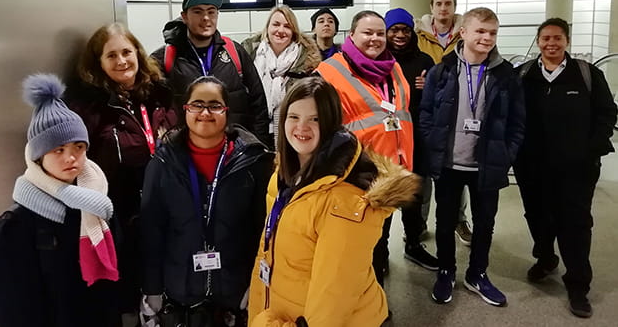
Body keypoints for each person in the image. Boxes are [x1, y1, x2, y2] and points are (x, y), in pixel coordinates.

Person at [247, 77, 420, 327]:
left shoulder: (345, 201)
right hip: (283, 310)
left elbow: (334, 296)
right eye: (294, 116)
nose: (301, 127)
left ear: (330, 124)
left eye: (315, 119)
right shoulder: (282, 177)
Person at [0, 74, 121, 327]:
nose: (71, 157)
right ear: (38, 157)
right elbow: (11, 313)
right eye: (59, 150)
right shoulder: (14, 228)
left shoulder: (96, 206)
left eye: (78, 147)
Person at [141, 76, 274, 326]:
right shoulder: (162, 163)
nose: (205, 112)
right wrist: (152, 289)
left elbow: (262, 231)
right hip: (179, 289)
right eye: (197, 104)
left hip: (236, 291)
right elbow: (151, 231)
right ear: (185, 110)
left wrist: (257, 284)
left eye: (214, 105)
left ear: (227, 111)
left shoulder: (253, 162)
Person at [67, 22, 177, 321]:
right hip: (118, 218)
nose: (122, 61)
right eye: (111, 55)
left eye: (127, 52)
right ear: (98, 63)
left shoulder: (160, 94)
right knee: (125, 299)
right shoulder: (87, 108)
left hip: (165, 209)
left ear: (138, 54)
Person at [420, 7, 525, 307]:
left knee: (485, 223)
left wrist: (506, 155)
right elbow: (426, 113)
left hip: (487, 164)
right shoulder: (442, 70)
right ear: (462, 32)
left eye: (492, 32)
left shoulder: (506, 75)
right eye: (480, 31)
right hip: (449, 163)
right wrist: (433, 145)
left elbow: (518, 122)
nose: (487, 38)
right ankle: (445, 270)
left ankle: (477, 273)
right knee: (444, 221)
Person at [513, 18, 617, 318]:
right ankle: (545, 258)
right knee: (536, 215)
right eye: (545, 38)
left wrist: (589, 151)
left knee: (574, 224)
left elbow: (607, 113)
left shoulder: (586, 74)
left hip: (575, 168)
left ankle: (578, 285)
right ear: (538, 41)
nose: (551, 44)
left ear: (567, 41)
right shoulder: (525, 74)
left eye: (557, 38)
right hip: (532, 167)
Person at [316, 10, 416, 285]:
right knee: (356, 244)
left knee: (380, 239)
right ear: (351, 35)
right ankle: (358, 303)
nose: (375, 39)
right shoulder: (329, 71)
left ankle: (375, 299)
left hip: (391, 171)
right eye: (367, 33)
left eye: (379, 34)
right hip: (354, 174)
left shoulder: (393, 67)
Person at [152, 0, 272, 148]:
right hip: (186, 155)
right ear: (185, 17)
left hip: (235, 153)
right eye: (198, 12)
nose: (206, 18)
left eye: (211, 11)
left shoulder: (235, 52)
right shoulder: (165, 59)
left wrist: (258, 148)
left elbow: (259, 104)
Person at [415, 0, 472, 247]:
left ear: (454, 7)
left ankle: (459, 220)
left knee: (454, 167)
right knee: (425, 170)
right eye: (439, 4)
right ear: (431, 7)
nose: (443, 9)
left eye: (448, 4)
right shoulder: (419, 37)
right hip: (427, 108)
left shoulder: (464, 35)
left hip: (457, 109)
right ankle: (419, 223)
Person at [385, 7, 437, 271]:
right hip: (383, 139)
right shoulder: (376, 59)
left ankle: (413, 244)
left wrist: (429, 89)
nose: (400, 35)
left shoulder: (425, 61)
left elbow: (438, 99)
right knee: (382, 194)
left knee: (414, 195)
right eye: (394, 30)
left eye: (405, 30)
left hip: (414, 137)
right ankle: (379, 252)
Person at [242, 5, 321, 147]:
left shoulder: (308, 64)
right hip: (254, 131)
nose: (280, 30)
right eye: (276, 24)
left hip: (295, 134)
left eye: (287, 26)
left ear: (294, 32)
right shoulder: (248, 56)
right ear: (267, 28)